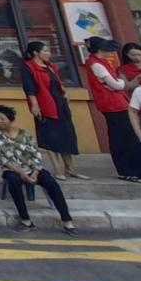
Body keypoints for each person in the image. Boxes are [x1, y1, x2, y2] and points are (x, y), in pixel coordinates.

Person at [0, 105, 76, 234]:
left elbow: (35, 153)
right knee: (13, 182)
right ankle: (26, 220)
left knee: (51, 182)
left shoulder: (24, 133)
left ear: (10, 119)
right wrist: (23, 175)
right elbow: (3, 158)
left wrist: (35, 171)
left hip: (31, 168)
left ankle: (67, 220)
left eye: (2, 118)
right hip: (13, 170)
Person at [20, 41, 85, 180]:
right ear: (36, 53)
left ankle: (70, 168)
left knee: (66, 135)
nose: (48, 53)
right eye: (45, 51)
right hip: (45, 106)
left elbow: (57, 82)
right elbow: (30, 88)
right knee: (51, 138)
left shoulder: (50, 67)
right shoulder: (28, 67)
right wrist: (35, 105)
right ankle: (57, 169)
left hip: (59, 104)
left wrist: (64, 92)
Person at [84, 37, 141, 182]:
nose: (111, 52)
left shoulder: (100, 62)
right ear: (101, 49)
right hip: (113, 105)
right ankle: (133, 171)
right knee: (129, 137)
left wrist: (118, 84)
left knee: (121, 137)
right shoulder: (96, 64)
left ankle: (129, 170)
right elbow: (117, 85)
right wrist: (120, 83)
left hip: (115, 103)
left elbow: (116, 84)